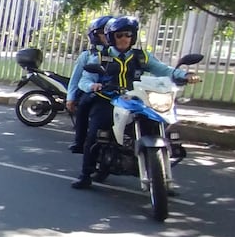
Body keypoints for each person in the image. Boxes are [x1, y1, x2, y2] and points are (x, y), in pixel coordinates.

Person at [71, 16, 200, 189]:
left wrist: (184, 75)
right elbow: (84, 80)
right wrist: (93, 85)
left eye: (128, 35)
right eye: (119, 35)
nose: (124, 38)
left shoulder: (141, 57)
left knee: (156, 124)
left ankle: (164, 181)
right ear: (111, 38)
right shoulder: (101, 57)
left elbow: (163, 70)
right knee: (95, 132)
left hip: (136, 99)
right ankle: (85, 174)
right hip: (108, 99)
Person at [65, 15, 113, 153]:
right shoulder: (88, 55)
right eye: (103, 33)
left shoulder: (122, 53)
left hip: (118, 92)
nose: (107, 36)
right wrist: (70, 98)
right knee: (83, 109)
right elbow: (76, 79)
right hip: (93, 91)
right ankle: (79, 142)